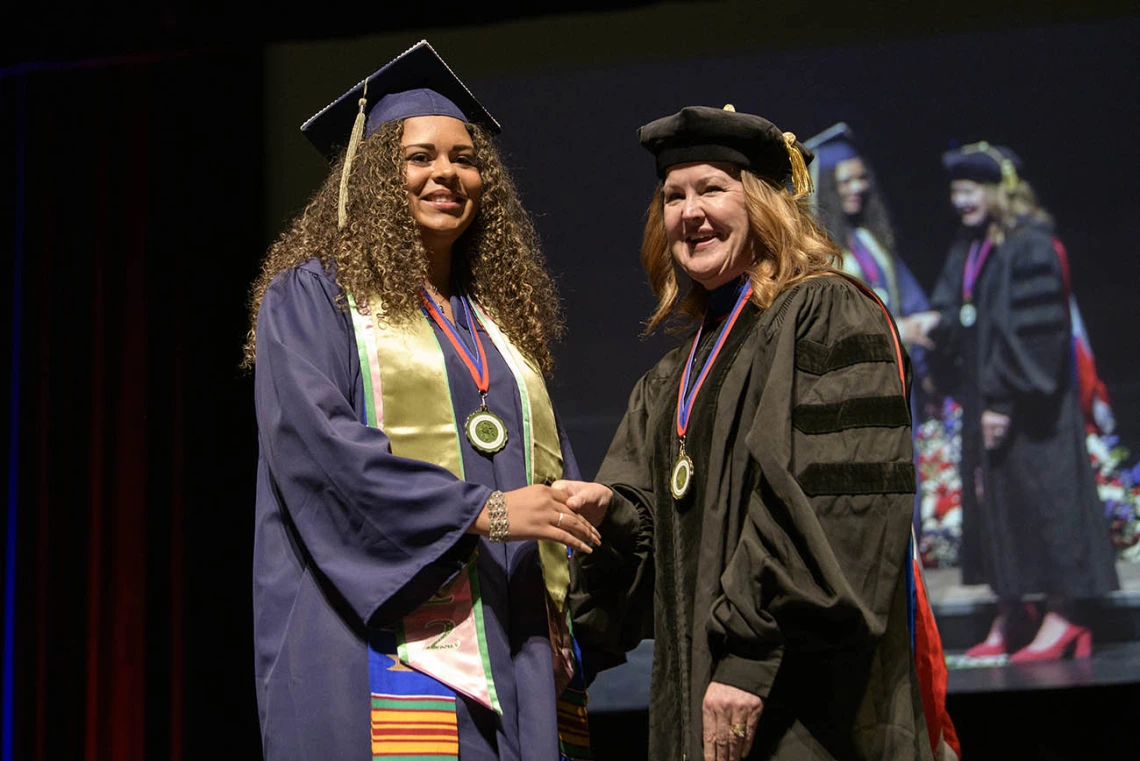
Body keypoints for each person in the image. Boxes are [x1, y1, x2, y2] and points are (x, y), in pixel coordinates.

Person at [559, 105, 957, 761]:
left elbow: (834, 510)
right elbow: (661, 528)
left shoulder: (823, 313)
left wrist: (748, 659)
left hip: (808, 708)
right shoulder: (670, 379)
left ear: (766, 202)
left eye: (712, 188)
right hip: (701, 708)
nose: (689, 211)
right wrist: (614, 519)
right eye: (673, 196)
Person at [245, 40, 599, 761]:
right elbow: (322, 453)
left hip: (511, 642)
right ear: (375, 177)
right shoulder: (314, 298)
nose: (447, 172)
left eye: (465, 158)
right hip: (378, 650)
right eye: (420, 157)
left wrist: (572, 509)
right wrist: (486, 510)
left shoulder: (497, 323)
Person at [917, 141, 1118, 661]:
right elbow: (952, 306)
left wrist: (1003, 403)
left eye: (970, 189)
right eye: (956, 192)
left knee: (1047, 503)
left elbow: (1038, 332)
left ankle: (1066, 613)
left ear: (1000, 189)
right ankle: (1015, 611)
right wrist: (926, 327)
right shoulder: (973, 243)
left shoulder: (1030, 244)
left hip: (1033, 407)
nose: (960, 201)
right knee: (999, 509)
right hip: (989, 397)